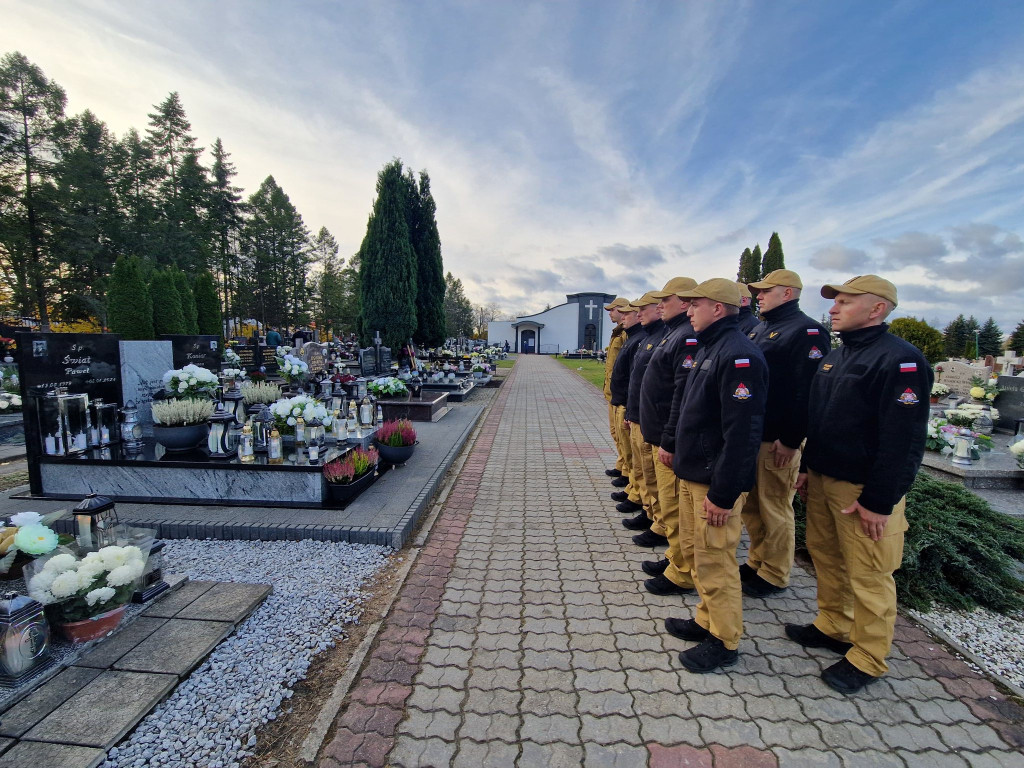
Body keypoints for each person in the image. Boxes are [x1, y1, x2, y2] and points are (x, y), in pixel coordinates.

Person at [789, 275, 931, 694]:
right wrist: (806, 468)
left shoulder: (900, 360)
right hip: (823, 479)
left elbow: (904, 441)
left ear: (877, 309)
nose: (833, 309)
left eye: (846, 302)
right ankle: (834, 625)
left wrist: (879, 501)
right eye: (835, 302)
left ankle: (869, 657)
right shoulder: (836, 355)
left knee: (869, 576)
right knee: (827, 557)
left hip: (861, 492)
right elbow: (822, 421)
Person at [663, 278, 767, 674]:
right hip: (696, 474)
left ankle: (724, 639)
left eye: (696, 305)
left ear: (719, 309)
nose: (689, 311)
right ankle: (706, 619)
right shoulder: (712, 346)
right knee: (701, 554)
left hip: (714, 481)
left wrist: (724, 494)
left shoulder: (740, 355)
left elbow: (742, 433)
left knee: (716, 560)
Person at [739, 270, 829, 598]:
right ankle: (757, 561)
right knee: (752, 505)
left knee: (774, 506)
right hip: (755, 433)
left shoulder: (807, 332)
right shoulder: (764, 327)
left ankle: (775, 573)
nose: (758, 295)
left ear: (788, 293)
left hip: (777, 439)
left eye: (766, 290)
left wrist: (791, 440)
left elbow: (807, 392)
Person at [637, 277, 700, 594]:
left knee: (674, 505)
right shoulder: (674, 333)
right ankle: (676, 558)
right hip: (659, 432)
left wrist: (670, 437)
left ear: (686, 301)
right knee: (669, 502)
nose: (660, 305)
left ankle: (681, 569)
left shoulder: (686, 337)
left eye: (666, 299)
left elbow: (681, 392)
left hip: (668, 437)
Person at [622, 292, 667, 542]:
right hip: (638, 414)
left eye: (642, 309)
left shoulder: (669, 337)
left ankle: (658, 522)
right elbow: (636, 379)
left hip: (655, 422)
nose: (638, 314)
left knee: (654, 475)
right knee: (644, 470)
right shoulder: (649, 337)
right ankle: (649, 512)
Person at [608, 301, 645, 515]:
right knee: (621, 441)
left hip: (628, 403)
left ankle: (636, 491)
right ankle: (631, 484)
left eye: (622, 311)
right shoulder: (625, 335)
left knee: (636, 455)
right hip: (618, 397)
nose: (619, 315)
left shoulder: (633, 338)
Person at [602, 298, 631, 484]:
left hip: (620, 393)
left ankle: (628, 472)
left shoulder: (626, 333)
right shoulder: (618, 332)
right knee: (616, 433)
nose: (610, 313)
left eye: (612, 310)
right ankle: (622, 464)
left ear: (621, 310)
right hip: (612, 392)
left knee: (623, 435)